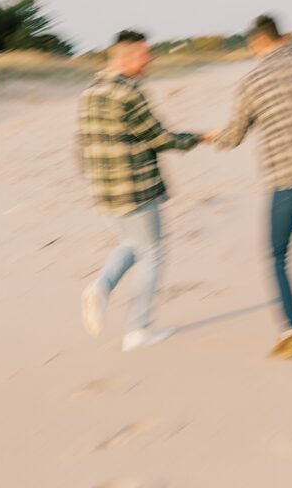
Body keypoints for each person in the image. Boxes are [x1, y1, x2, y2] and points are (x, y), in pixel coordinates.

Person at [209, 15, 292, 359]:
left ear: (257, 44)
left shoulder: (253, 81)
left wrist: (209, 137)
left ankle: (291, 332)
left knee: (277, 254)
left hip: (287, 178)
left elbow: (234, 135)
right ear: (283, 37)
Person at [78, 29, 201, 351]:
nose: (150, 59)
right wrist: (198, 138)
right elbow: (160, 138)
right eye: (145, 54)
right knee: (153, 252)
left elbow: (82, 144)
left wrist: (93, 182)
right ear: (127, 57)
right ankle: (138, 329)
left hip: (103, 190)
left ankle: (100, 288)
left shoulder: (90, 91)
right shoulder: (129, 93)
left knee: (132, 243)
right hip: (135, 188)